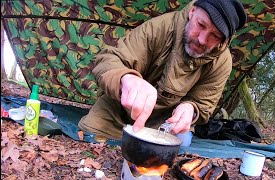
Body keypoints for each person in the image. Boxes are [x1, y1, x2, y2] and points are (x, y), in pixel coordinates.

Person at [78, 0, 247, 142]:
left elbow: (204, 104)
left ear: (223, 40)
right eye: (201, 24)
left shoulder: (222, 62)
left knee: (164, 155)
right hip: (117, 110)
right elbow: (108, 60)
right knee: (89, 135)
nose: (202, 39)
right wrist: (127, 78)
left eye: (215, 36)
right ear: (192, 12)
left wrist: (191, 108)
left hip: (166, 125)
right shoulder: (159, 27)